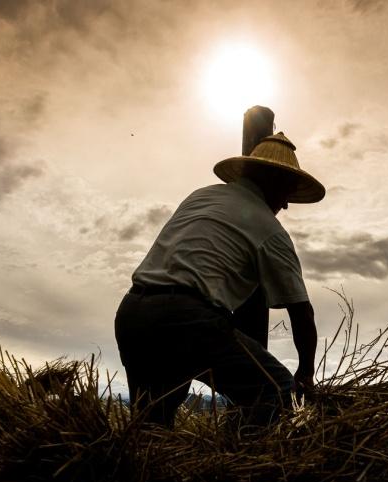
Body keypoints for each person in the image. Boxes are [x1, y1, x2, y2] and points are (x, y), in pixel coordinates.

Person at [115, 132, 325, 428]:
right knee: (275, 391)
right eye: (286, 193)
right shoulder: (270, 230)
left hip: (134, 313)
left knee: (152, 426)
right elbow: (301, 312)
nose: (287, 205)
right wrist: (305, 373)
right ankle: (234, 464)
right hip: (188, 319)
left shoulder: (200, 196)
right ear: (274, 182)